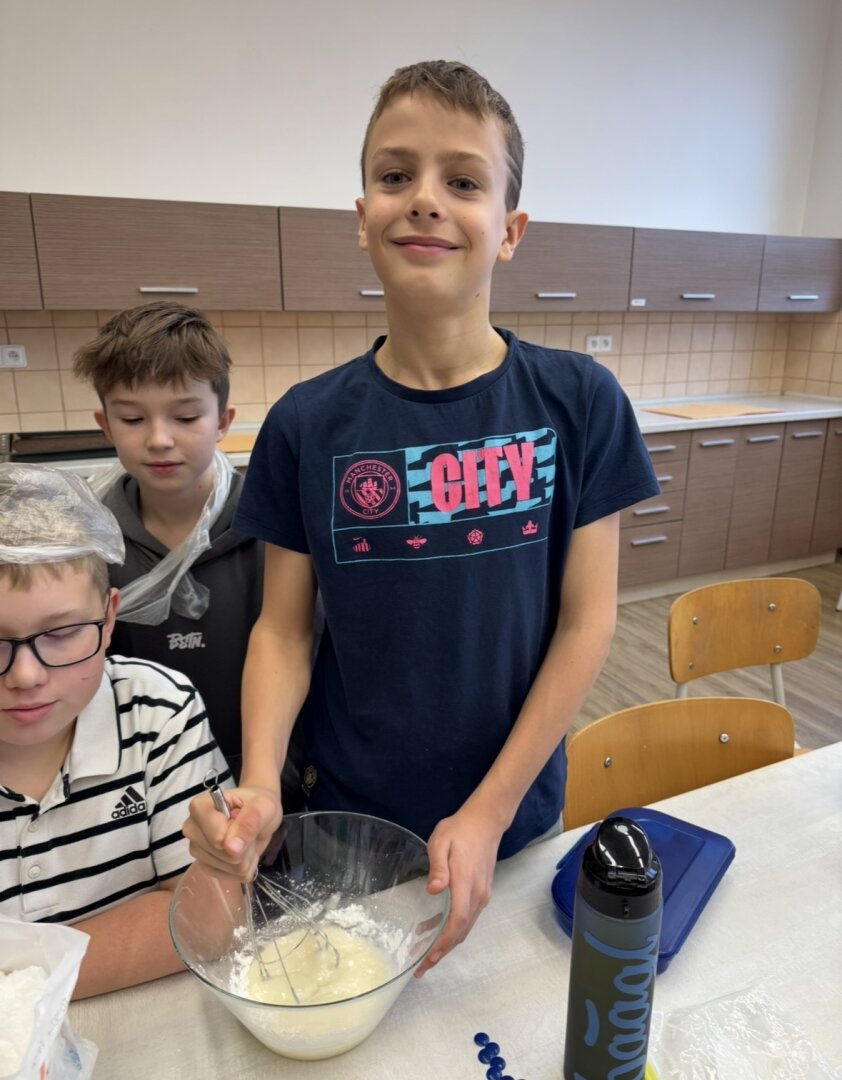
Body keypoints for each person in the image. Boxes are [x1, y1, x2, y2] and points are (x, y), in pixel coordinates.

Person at [185, 59, 660, 974]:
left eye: (464, 181)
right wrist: (259, 781)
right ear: (362, 216)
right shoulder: (306, 424)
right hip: (346, 830)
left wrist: (487, 812)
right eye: (396, 175)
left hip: (512, 824)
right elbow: (284, 631)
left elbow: (587, 622)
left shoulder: (578, 402)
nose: (426, 200)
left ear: (510, 230)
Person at [0, 464, 230, 998]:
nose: (26, 676)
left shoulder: (159, 713)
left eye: (62, 633)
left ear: (108, 620)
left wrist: (19, 982)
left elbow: (213, 916)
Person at [72, 302, 264, 783]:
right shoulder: (89, 540)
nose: (159, 439)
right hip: (136, 780)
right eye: (133, 419)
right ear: (105, 425)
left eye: (186, 417)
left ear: (222, 421)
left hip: (261, 773)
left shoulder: (272, 528)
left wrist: (272, 780)